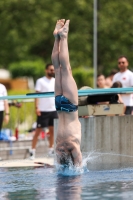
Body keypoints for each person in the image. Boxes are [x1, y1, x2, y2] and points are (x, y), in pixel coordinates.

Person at [51, 19, 82, 166]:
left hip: (70, 107)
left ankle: (63, 36)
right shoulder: (59, 148)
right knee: (57, 70)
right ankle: (57, 37)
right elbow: (59, 166)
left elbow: (79, 166)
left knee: (66, 69)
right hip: (59, 106)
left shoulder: (74, 147)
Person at [29, 64, 58, 159]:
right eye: (50, 70)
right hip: (43, 110)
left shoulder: (55, 81)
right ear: (46, 70)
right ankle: (32, 150)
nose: (52, 71)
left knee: (52, 131)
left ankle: (51, 149)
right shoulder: (40, 81)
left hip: (53, 109)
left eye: (53, 70)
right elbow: (37, 95)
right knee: (38, 131)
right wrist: (36, 107)